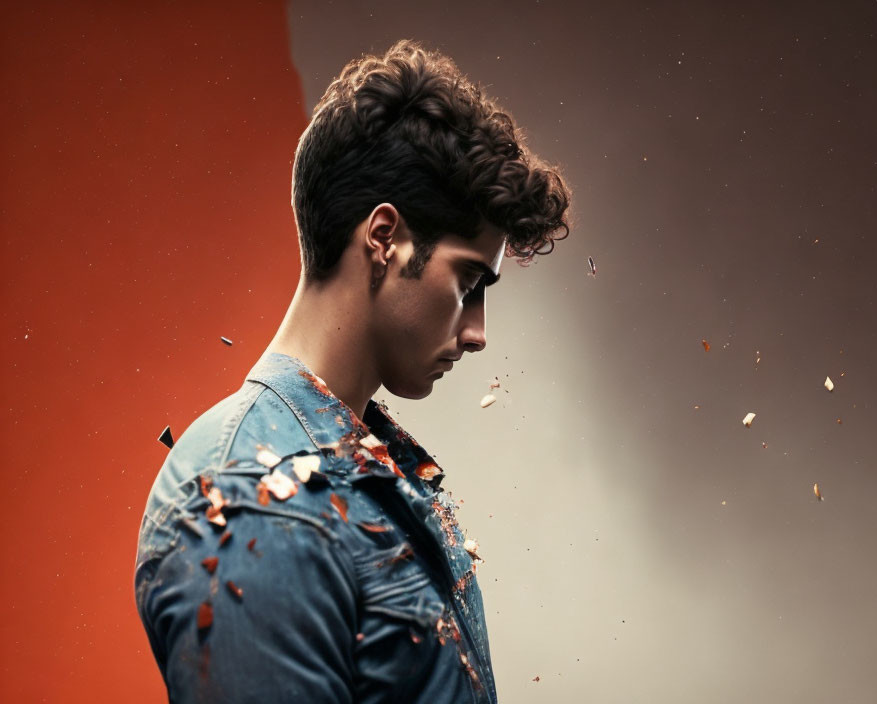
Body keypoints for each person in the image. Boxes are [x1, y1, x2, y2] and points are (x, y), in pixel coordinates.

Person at [134, 38, 571, 703]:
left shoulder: (365, 472)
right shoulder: (256, 502)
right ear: (384, 239)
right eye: (468, 281)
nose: (478, 332)